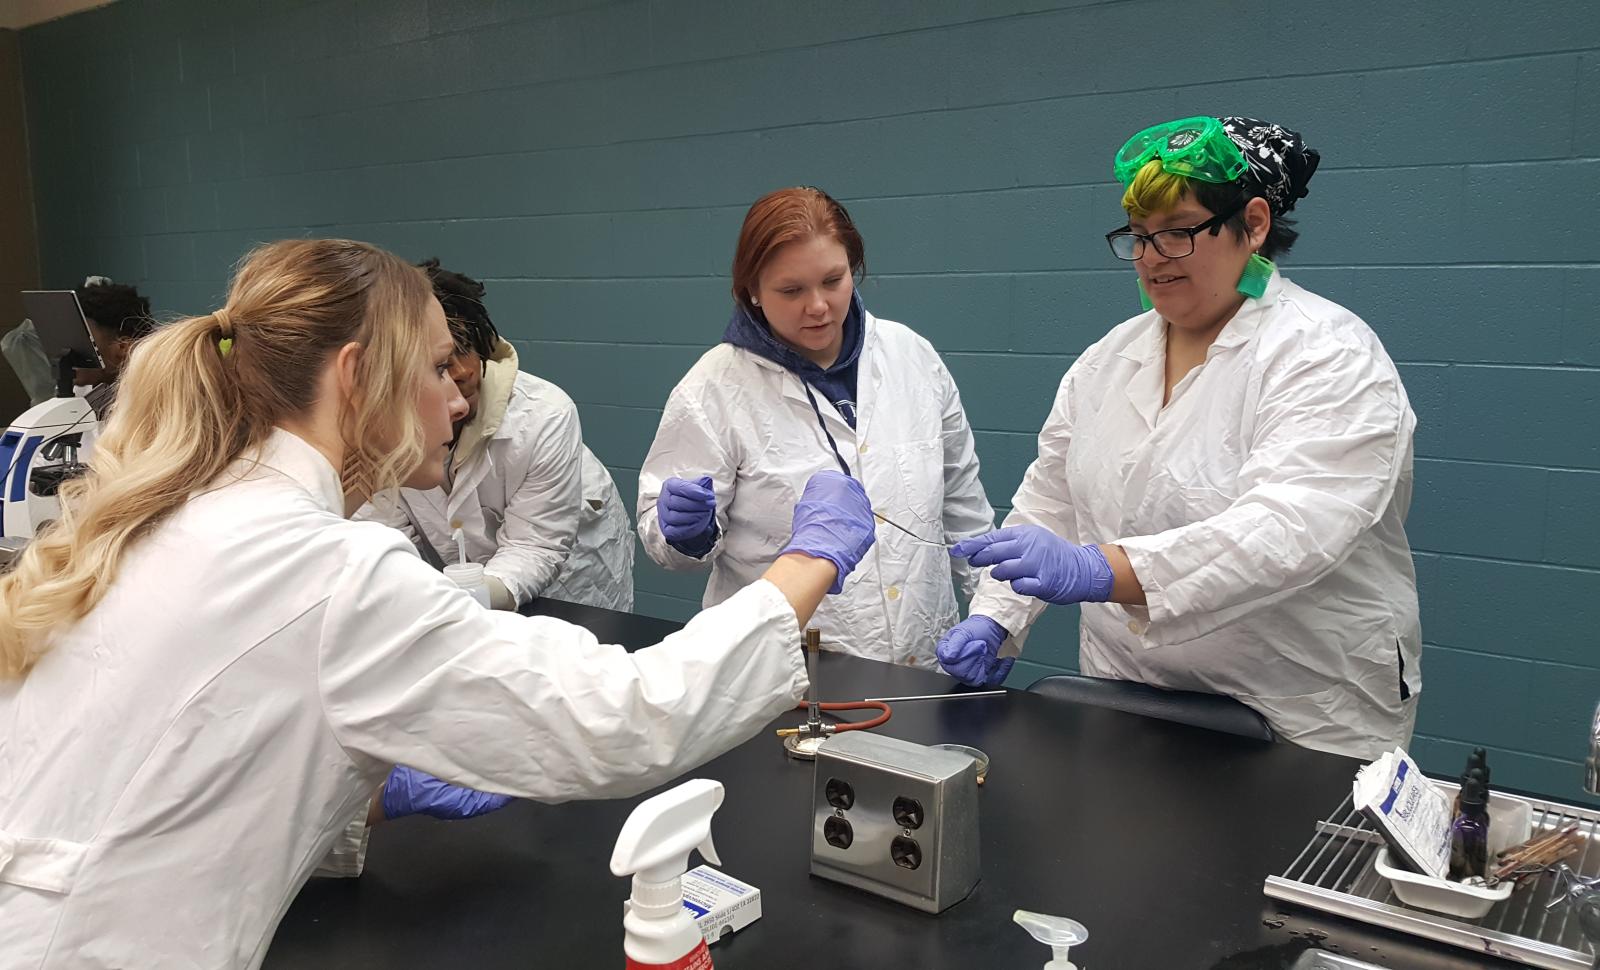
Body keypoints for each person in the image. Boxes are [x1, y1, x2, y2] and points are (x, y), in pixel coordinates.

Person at [0, 238, 877, 969]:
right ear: (356, 378)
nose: (459, 396)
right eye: (434, 368)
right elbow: (625, 718)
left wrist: (364, 807)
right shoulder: (324, 573)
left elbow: (190, 784)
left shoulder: (175, 518)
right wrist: (806, 563)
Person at [940, 116, 1420, 760]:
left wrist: (1098, 569)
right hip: (1131, 695)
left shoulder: (1327, 355)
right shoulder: (1107, 360)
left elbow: (1286, 532)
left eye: (1177, 233)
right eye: (1137, 237)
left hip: (1295, 711)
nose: (1148, 258)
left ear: (1252, 225)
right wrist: (996, 616)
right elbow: (1052, 502)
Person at [637, 186, 995, 669]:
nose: (819, 306)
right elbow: (671, 553)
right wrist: (685, 533)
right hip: (787, 671)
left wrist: (994, 617)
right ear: (752, 293)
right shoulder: (713, 388)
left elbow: (964, 508)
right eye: (792, 290)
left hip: (923, 660)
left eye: (833, 280)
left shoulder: (913, 357)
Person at [357, 259, 634, 612]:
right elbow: (385, 539)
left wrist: (468, 602)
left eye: (464, 350)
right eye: (439, 364)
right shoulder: (371, 422)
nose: (459, 373)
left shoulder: (543, 414)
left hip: (571, 578)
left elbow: (534, 546)